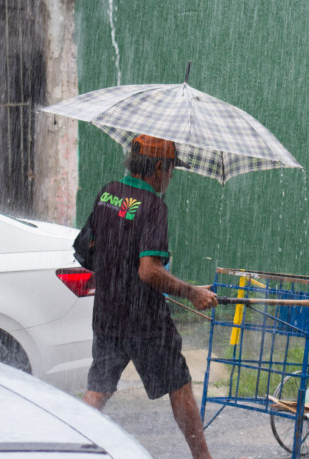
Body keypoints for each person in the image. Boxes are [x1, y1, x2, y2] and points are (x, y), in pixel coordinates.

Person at [82, 134, 217, 459]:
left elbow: (86, 253)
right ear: (159, 167)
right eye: (171, 170)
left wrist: (116, 269)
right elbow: (149, 271)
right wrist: (191, 292)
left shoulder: (107, 193)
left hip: (107, 315)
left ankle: (68, 449)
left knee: (97, 391)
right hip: (146, 322)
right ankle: (203, 458)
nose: (170, 178)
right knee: (179, 384)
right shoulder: (154, 207)